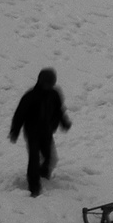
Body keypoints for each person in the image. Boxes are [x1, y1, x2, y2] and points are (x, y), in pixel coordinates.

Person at [9, 68, 71, 197]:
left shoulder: (54, 95)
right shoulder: (30, 97)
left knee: (49, 157)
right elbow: (19, 114)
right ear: (41, 82)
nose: (50, 86)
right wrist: (15, 130)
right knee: (34, 159)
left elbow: (59, 111)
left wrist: (64, 122)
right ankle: (34, 187)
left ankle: (43, 175)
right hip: (32, 133)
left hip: (47, 131)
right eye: (48, 83)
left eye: (52, 83)